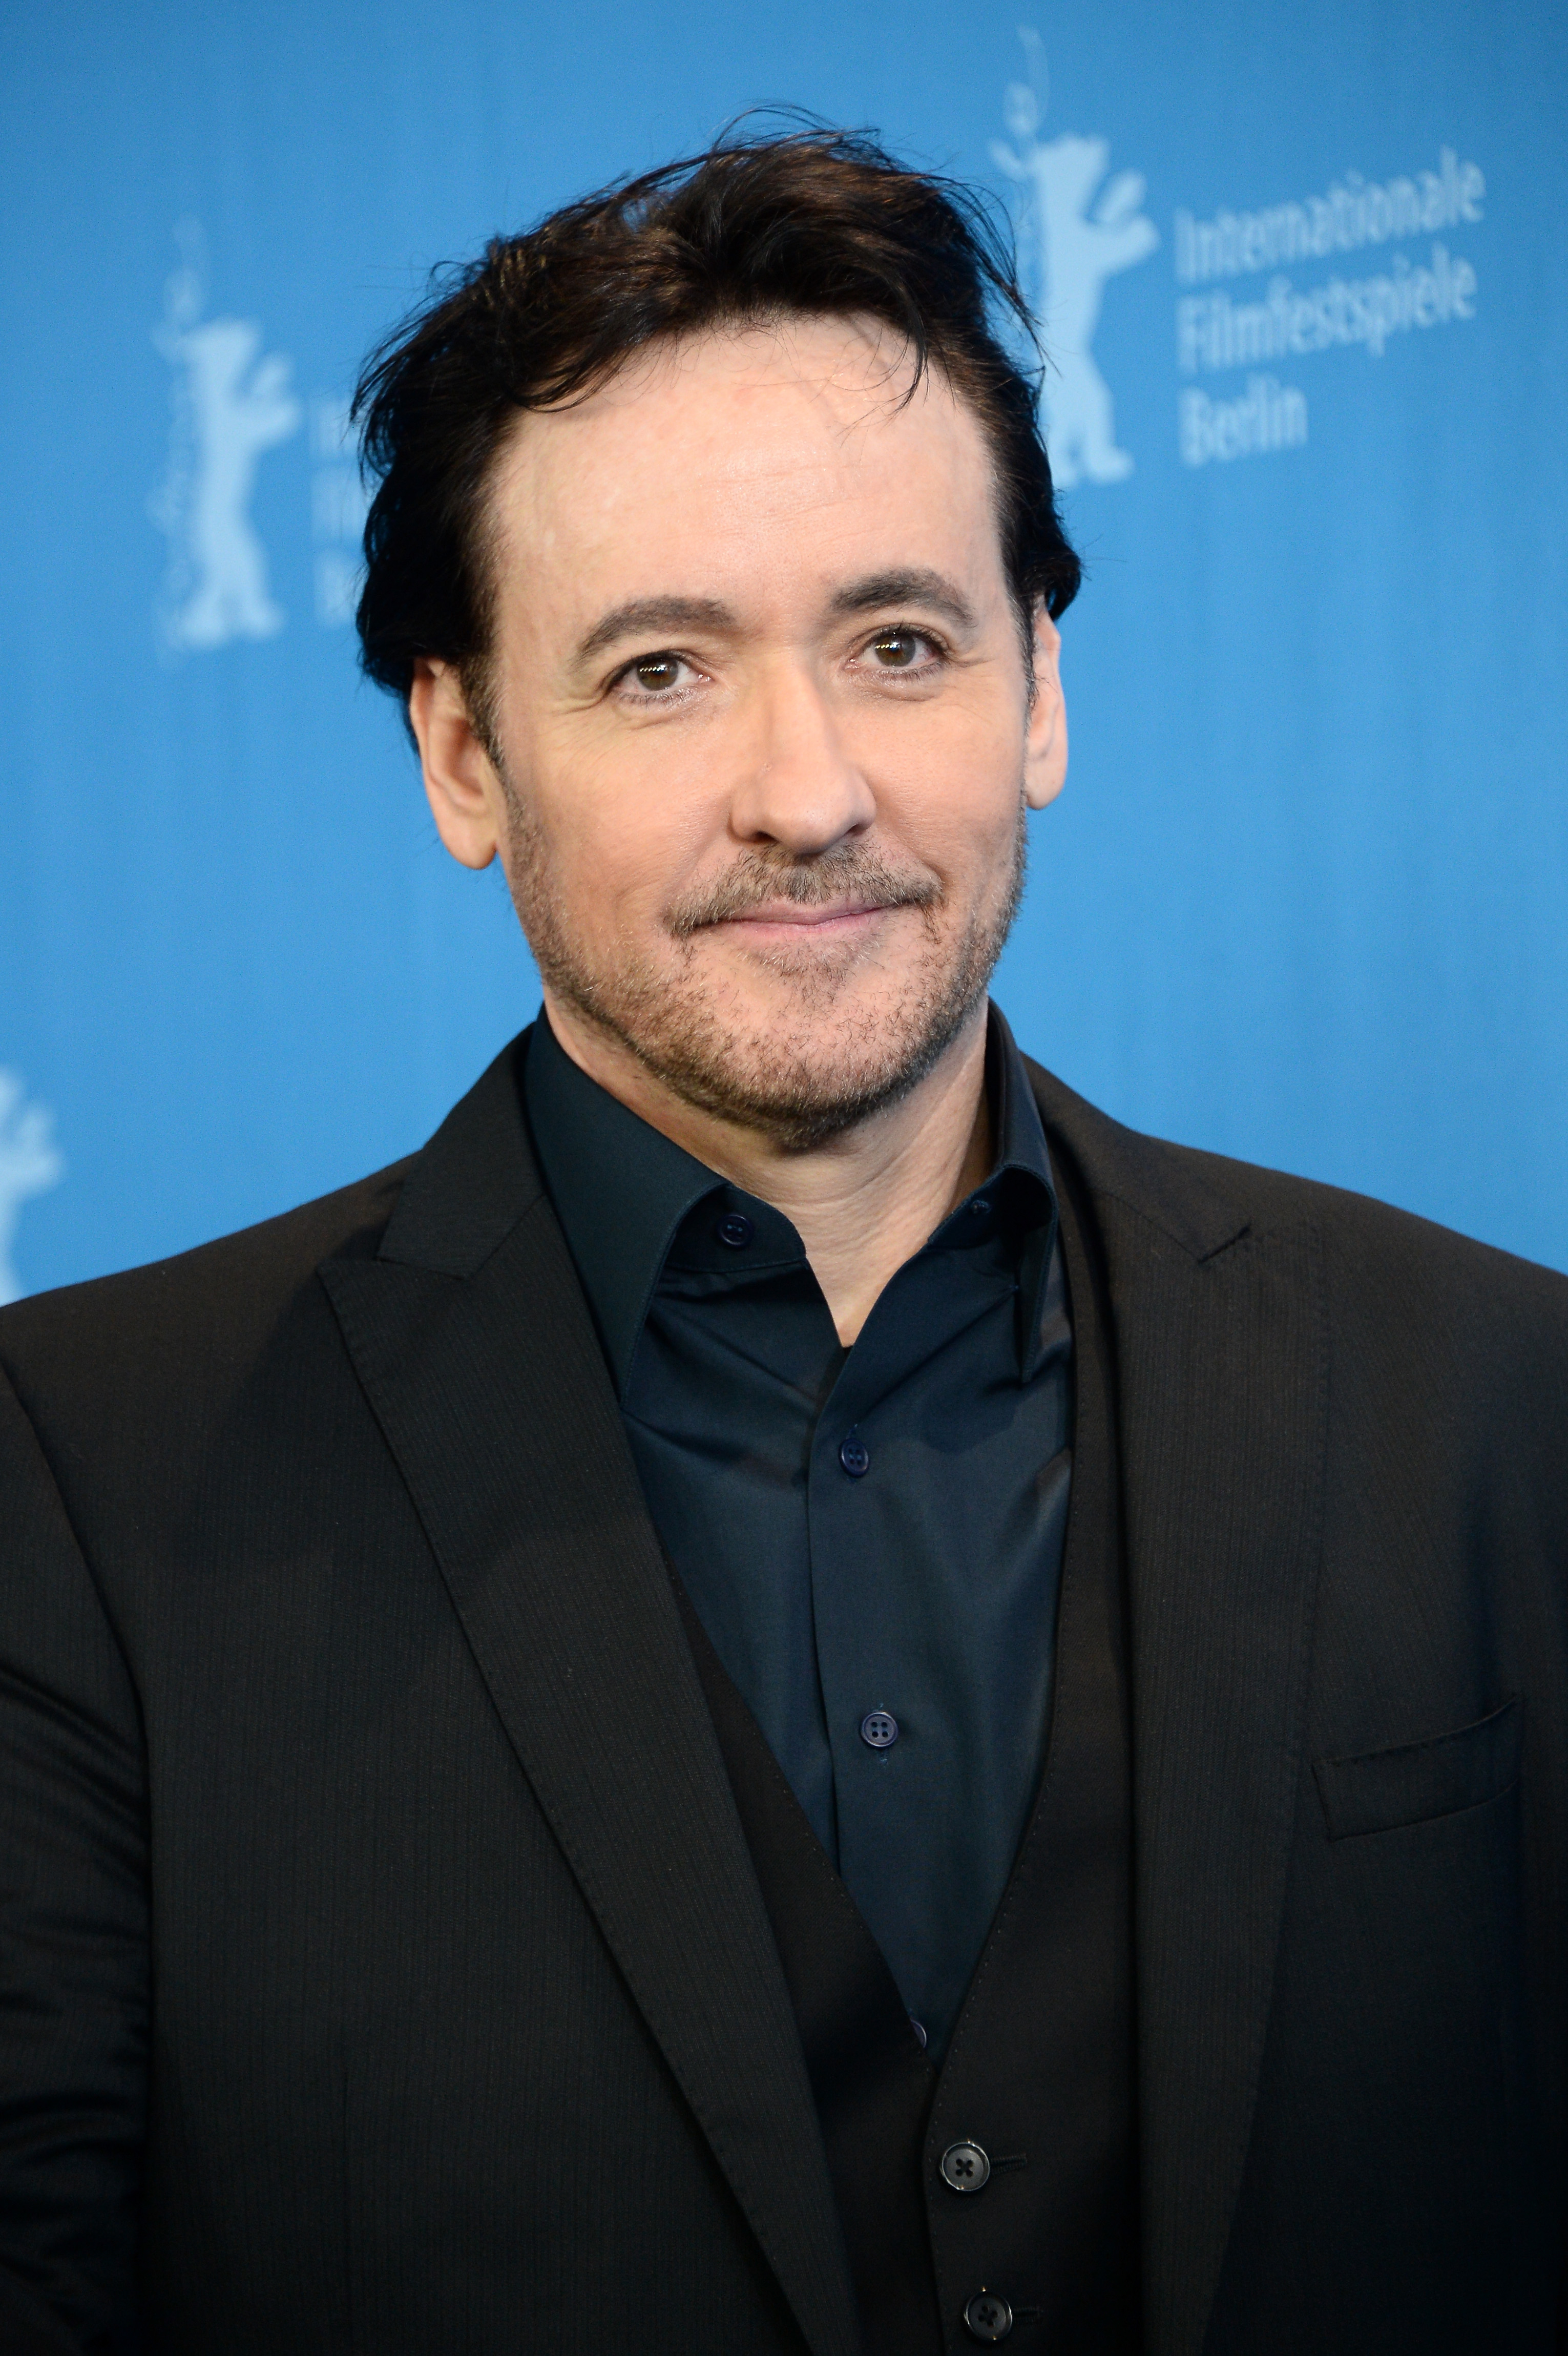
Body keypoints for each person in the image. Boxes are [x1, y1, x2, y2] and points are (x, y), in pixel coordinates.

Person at [1, 129, 1564, 2356]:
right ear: (461, 751)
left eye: (899, 640)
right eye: (659, 671)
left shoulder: (1499, 1404)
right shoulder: (76, 1482)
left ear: (1036, 687)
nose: (809, 787)